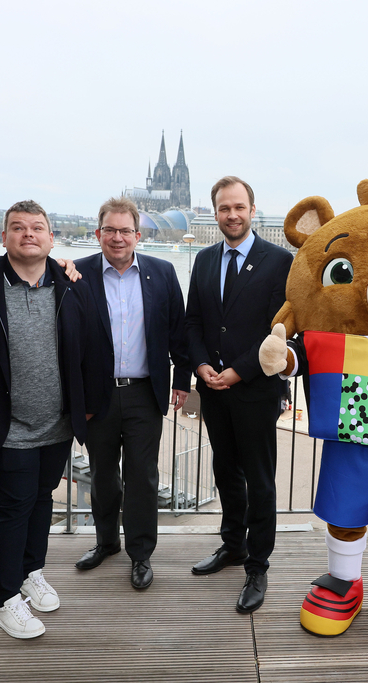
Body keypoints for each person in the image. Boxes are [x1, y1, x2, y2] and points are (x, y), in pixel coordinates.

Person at [0, 200, 102, 639]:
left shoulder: (71, 282)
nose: (28, 234)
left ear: (51, 239)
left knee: (42, 499)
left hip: (57, 421)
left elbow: (94, 345)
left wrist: (87, 404)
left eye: (37, 228)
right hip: (8, 422)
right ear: (3, 238)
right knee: (14, 506)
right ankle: (3, 600)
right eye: (17, 228)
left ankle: (29, 573)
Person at [185, 176, 293, 613]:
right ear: (215, 212)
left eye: (239, 207)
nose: (232, 214)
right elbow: (193, 322)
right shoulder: (205, 259)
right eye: (224, 208)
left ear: (252, 210)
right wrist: (201, 366)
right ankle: (232, 545)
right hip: (213, 390)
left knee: (259, 479)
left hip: (254, 391)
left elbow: (280, 331)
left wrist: (237, 372)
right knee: (225, 471)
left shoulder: (278, 261)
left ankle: (258, 564)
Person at [73, 197, 191, 590]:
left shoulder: (162, 272)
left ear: (138, 235)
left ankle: (140, 554)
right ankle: (106, 542)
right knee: (103, 474)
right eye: (111, 230)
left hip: (144, 393)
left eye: (125, 231)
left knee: (142, 477)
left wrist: (182, 381)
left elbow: (178, 330)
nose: (118, 238)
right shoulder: (78, 274)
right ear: (98, 234)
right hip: (97, 394)